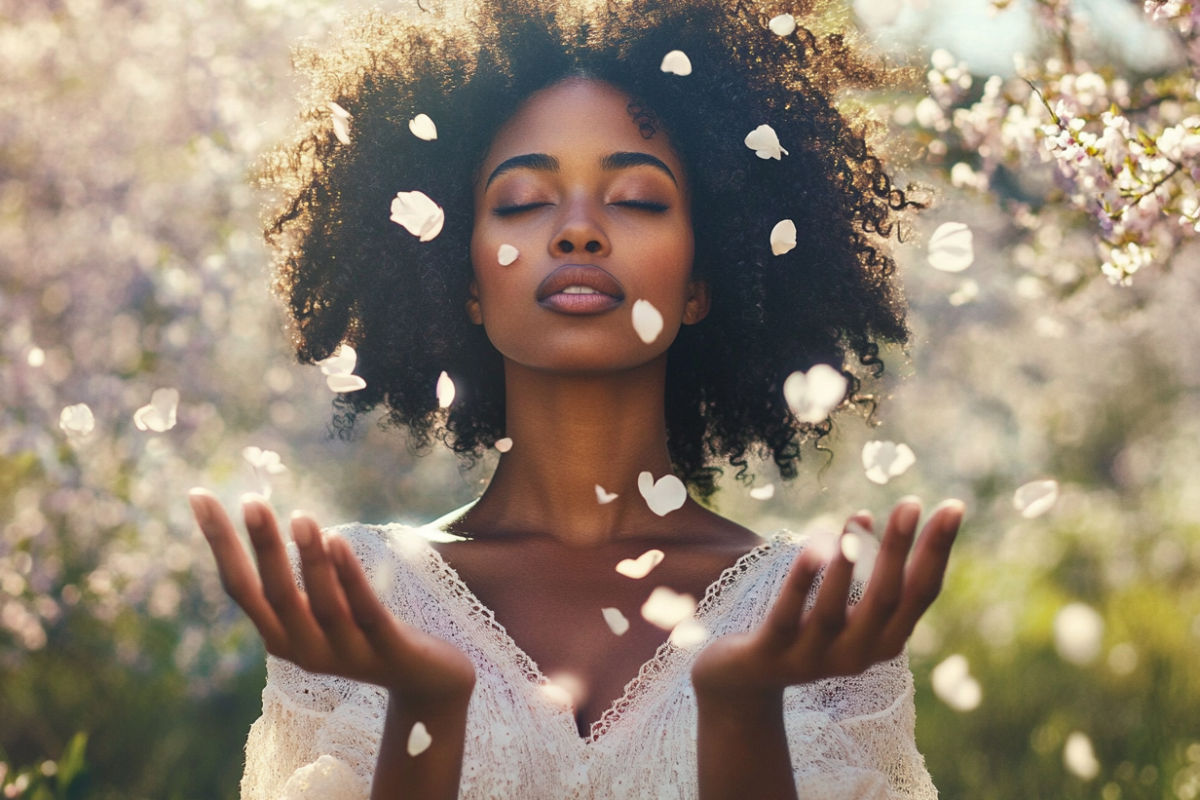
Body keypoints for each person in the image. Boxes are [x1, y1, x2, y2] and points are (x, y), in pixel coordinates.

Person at [186, 0, 964, 797]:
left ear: (702, 280)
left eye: (636, 199)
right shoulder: (357, 598)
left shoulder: (817, 612)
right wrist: (427, 705)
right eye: (524, 200)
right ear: (466, 284)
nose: (580, 231)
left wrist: (741, 711)